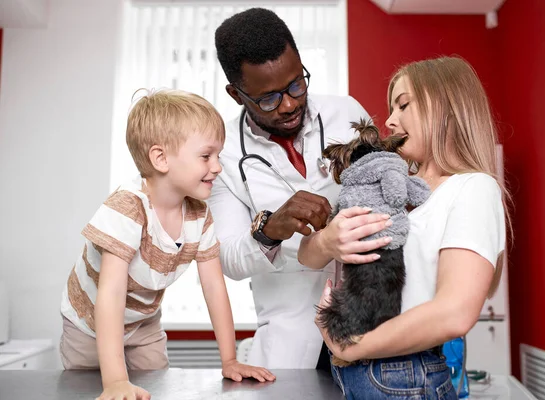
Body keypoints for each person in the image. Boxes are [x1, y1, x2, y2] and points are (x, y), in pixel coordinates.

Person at [298, 56, 510, 399]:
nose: (391, 122)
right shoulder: (387, 182)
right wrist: (327, 241)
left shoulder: (473, 188)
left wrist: (353, 347)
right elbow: (306, 256)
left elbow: (454, 313)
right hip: (353, 373)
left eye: (404, 105)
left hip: (402, 375)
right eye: (390, 109)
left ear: (446, 107)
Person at [59, 89, 275, 400]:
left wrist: (229, 360)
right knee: (94, 393)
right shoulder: (128, 209)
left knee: (154, 391)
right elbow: (111, 293)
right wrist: (116, 380)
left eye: (218, 155)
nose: (217, 167)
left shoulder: (199, 216)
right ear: (160, 158)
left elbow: (214, 286)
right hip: (90, 325)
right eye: (206, 156)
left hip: (143, 325)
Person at [208, 8, 387, 370]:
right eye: (269, 99)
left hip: (370, 317)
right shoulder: (222, 153)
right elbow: (228, 258)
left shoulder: (346, 113)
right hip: (291, 337)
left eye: (296, 85)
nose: (289, 105)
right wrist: (270, 230)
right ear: (235, 93)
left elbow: (387, 190)